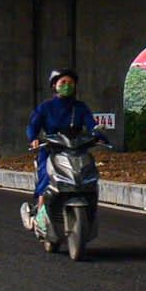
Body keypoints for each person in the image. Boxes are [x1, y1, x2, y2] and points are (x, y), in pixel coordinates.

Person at [28, 68, 98, 204]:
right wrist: (33, 138)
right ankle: (41, 211)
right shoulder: (45, 107)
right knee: (46, 175)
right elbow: (33, 126)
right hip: (52, 149)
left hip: (76, 150)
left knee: (89, 175)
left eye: (71, 83)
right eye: (63, 82)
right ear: (54, 85)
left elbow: (91, 124)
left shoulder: (80, 107)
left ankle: (90, 211)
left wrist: (98, 134)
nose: (67, 85)